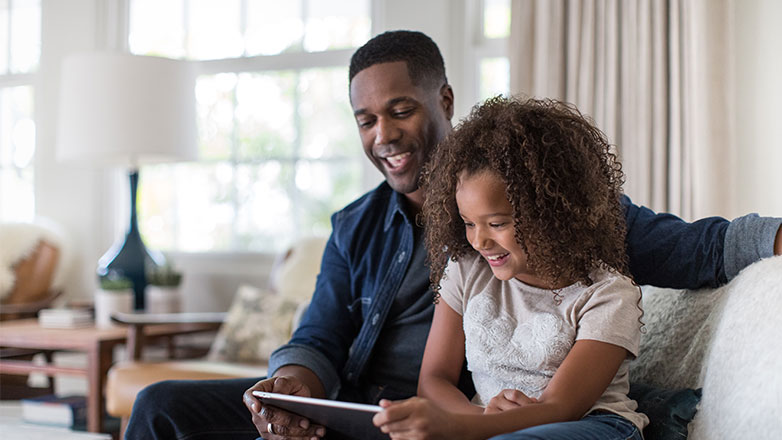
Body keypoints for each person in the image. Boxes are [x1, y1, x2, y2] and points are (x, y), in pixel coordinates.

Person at [125, 30, 782, 440]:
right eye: (365, 120)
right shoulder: (355, 225)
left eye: (399, 109)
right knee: (161, 406)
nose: (382, 135)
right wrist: (293, 386)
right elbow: (318, 334)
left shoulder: (552, 215)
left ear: (443, 100)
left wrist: (773, 236)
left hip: (450, 422)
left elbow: (703, 245)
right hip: (357, 411)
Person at [373, 96, 646, 439]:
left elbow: (561, 409)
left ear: (551, 214)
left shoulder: (608, 295)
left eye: (497, 224)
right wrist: (478, 418)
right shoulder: (465, 270)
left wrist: (459, 427)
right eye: (469, 223)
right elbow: (434, 380)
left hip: (591, 426)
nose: (479, 242)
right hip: (487, 426)